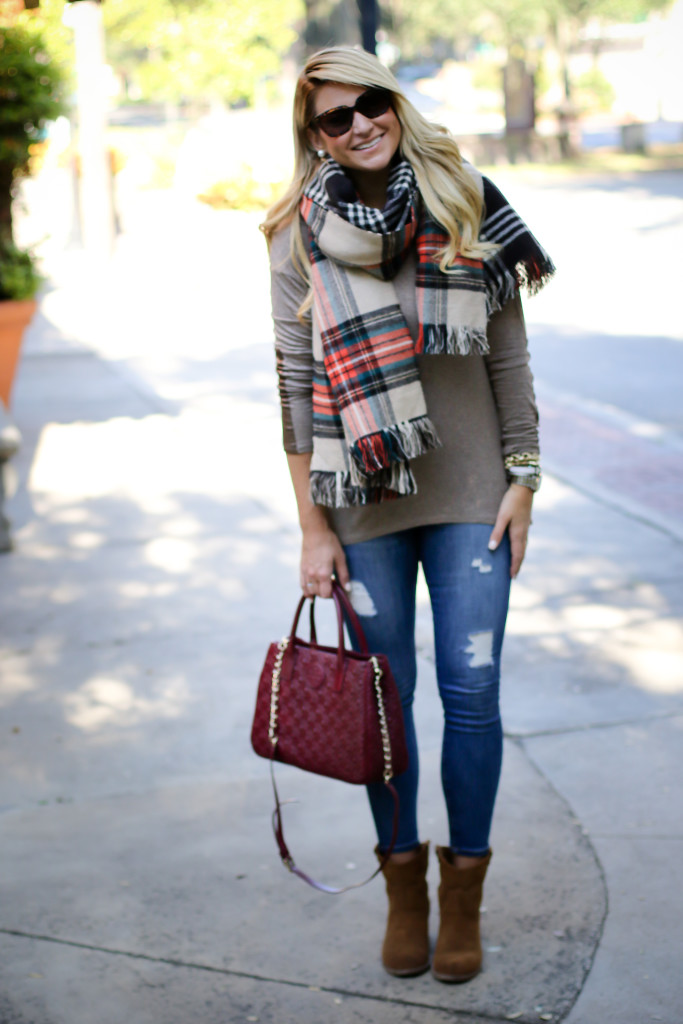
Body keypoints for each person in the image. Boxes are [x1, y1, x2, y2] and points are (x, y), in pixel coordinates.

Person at [261, 46, 553, 984]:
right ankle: (403, 887)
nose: (358, 127)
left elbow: (506, 354)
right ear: (313, 136)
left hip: (472, 494)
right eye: (333, 119)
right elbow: (295, 383)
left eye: (368, 105)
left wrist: (523, 477)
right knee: (383, 707)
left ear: (395, 102)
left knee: (472, 695)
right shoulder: (294, 233)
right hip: (362, 501)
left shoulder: (465, 197)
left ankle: (462, 888)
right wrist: (311, 527)